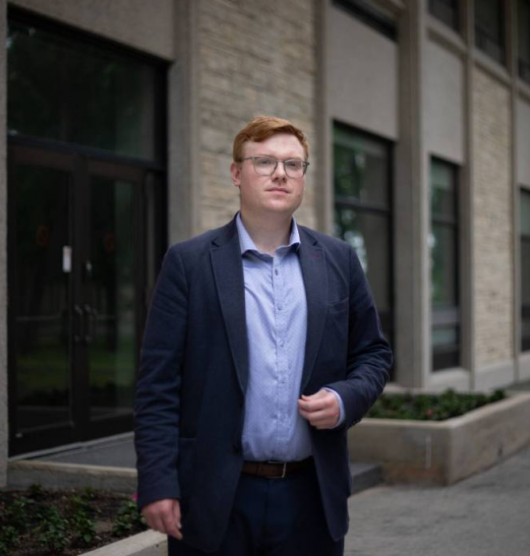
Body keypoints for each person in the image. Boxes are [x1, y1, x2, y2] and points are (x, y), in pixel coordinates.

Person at [134, 115, 392, 555]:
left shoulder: (339, 260)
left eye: (294, 165)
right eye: (265, 162)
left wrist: (346, 397)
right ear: (237, 173)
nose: (280, 174)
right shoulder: (189, 264)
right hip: (218, 496)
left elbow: (373, 354)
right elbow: (158, 385)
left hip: (311, 497)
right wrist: (158, 483)